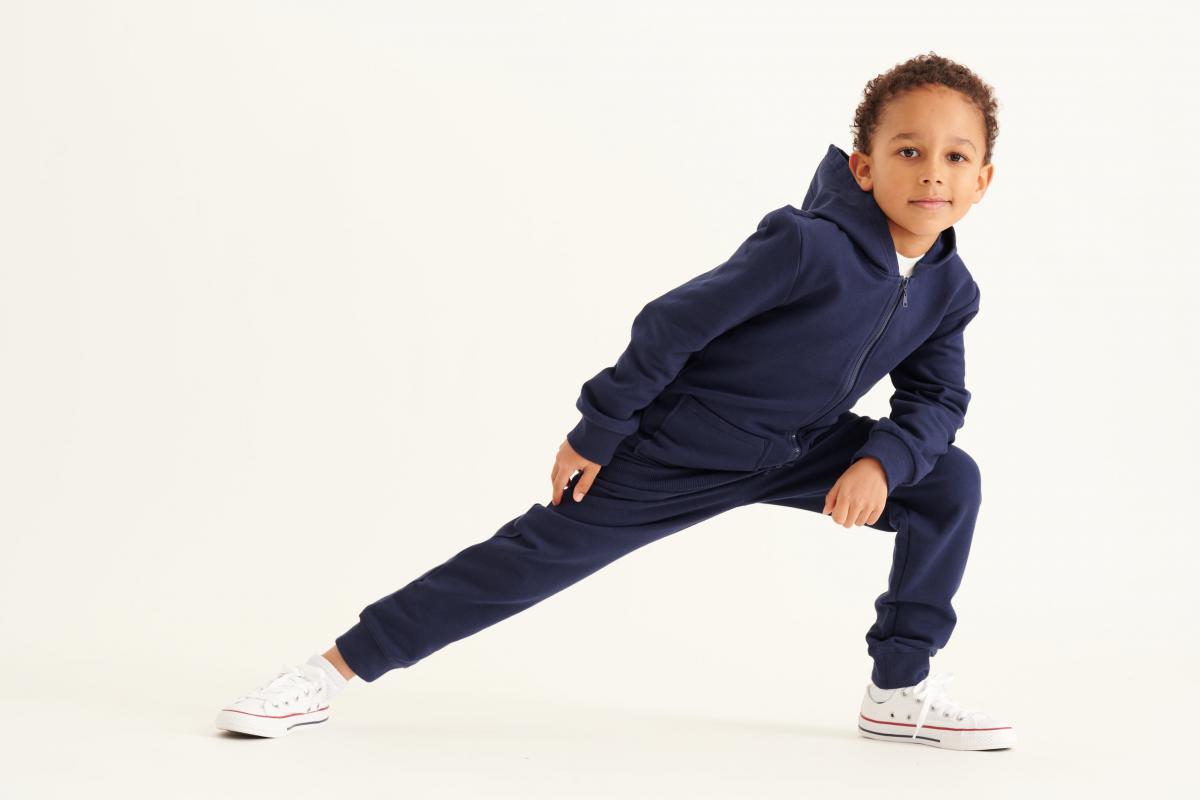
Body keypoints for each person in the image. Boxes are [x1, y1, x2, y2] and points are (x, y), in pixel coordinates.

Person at [216, 52, 1016, 751]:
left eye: (955, 157)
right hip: (677, 449)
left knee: (949, 482)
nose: (932, 174)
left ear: (982, 180)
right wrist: (600, 430)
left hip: (798, 452)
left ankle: (897, 690)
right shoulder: (805, 245)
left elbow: (937, 400)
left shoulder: (950, 290)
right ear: (864, 168)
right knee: (524, 561)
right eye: (909, 151)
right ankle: (326, 673)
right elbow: (673, 324)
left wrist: (882, 462)